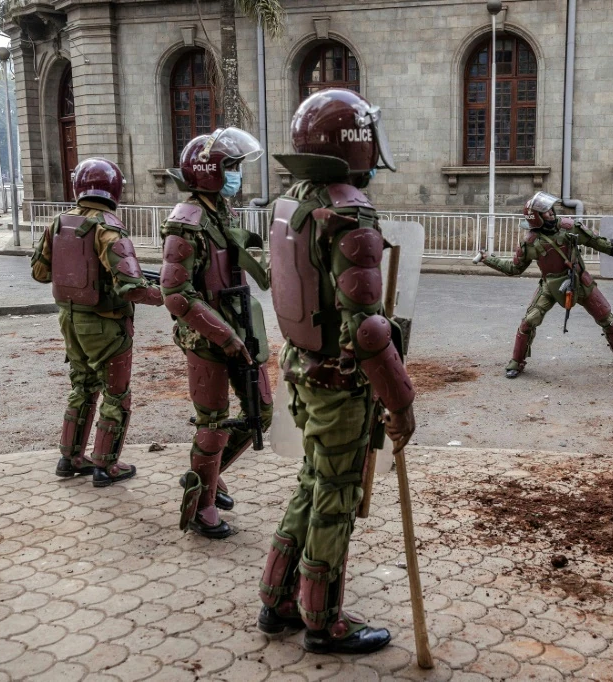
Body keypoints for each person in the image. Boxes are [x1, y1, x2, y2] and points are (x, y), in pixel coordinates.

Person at [256, 88, 414, 655]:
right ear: (356, 142)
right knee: (336, 494)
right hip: (339, 384)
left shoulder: (293, 200)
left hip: (302, 369)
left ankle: (277, 598)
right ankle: (323, 620)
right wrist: (401, 402)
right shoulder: (350, 212)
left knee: (312, 481)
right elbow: (369, 332)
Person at [159, 127, 273, 539]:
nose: (237, 175)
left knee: (262, 411)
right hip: (207, 339)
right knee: (214, 422)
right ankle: (200, 505)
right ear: (208, 171)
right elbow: (175, 294)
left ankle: (204, 473)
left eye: (238, 167)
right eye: (231, 167)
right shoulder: (185, 223)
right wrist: (223, 334)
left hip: (241, 326)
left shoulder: (222, 212)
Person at [31, 157, 162, 486]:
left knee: (82, 387)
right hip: (107, 326)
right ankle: (106, 466)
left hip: (70, 321)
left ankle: (70, 458)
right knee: (116, 394)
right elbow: (131, 287)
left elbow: (39, 272)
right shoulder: (109, 228)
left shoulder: (58, 223)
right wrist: (165, 295)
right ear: (113, 188)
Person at [475, 192, 613, 378]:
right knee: (529, 321)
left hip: (580, 281)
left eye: (550, 209)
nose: (551, 213)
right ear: (536, 218)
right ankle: (517, 361)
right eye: (545, 212)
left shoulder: (570, 227)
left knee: (607, 317)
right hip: (551, 285)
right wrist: (487, 259)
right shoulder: (530, 243)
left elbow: (599, 243)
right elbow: (513, 269)